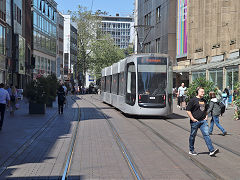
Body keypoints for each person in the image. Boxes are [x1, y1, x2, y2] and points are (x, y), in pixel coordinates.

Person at [186, 87, 219, 156]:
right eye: (202, 92)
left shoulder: (204, 100)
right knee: (193, 136)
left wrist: (206, 117)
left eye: (203, 92)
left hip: (203, 121)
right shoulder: (193, 100)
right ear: (198, 92)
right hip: (195, 121)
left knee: (206, 135)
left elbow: (206, 109)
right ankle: (191, 150)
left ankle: (211, 150)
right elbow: (188, 110)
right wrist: (192, 118)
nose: (203, 93)